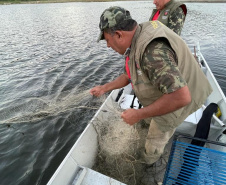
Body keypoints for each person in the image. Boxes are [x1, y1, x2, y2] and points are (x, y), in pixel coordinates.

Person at [90, 6, 212, 176]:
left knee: (154, 142)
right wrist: (104, 88)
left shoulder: (151, 52)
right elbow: (128, 74)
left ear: (118, 34)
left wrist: (138, 115)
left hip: (181, 98)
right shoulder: (138, 34)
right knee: (148, 119)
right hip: (171, 89)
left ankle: (150, 164)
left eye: (107, 40)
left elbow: (181, 97)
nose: (108, 46)